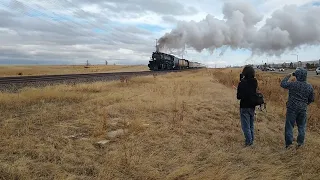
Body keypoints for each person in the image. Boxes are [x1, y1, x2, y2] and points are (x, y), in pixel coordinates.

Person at [280, 68, 314, 149]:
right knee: (301, 127)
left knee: (289, 126)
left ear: (297, 76)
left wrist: (289, 75)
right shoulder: (309, 86)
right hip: (303, 109)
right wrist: (305, 103)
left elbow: (282, 84)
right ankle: (300, 143)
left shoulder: (293, 84)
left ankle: (289, 145)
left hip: (292, 108)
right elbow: (312, 99)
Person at [237, 65, 258, 146]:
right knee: (251, 125)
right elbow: (251, 90)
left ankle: (249, 143)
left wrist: (241, 82)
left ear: (244, 73)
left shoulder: (242, 83)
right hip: (252, 106)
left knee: (246, 127)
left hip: (244, 106)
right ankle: (251, 140)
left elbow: (239, 96)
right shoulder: (255, 82)